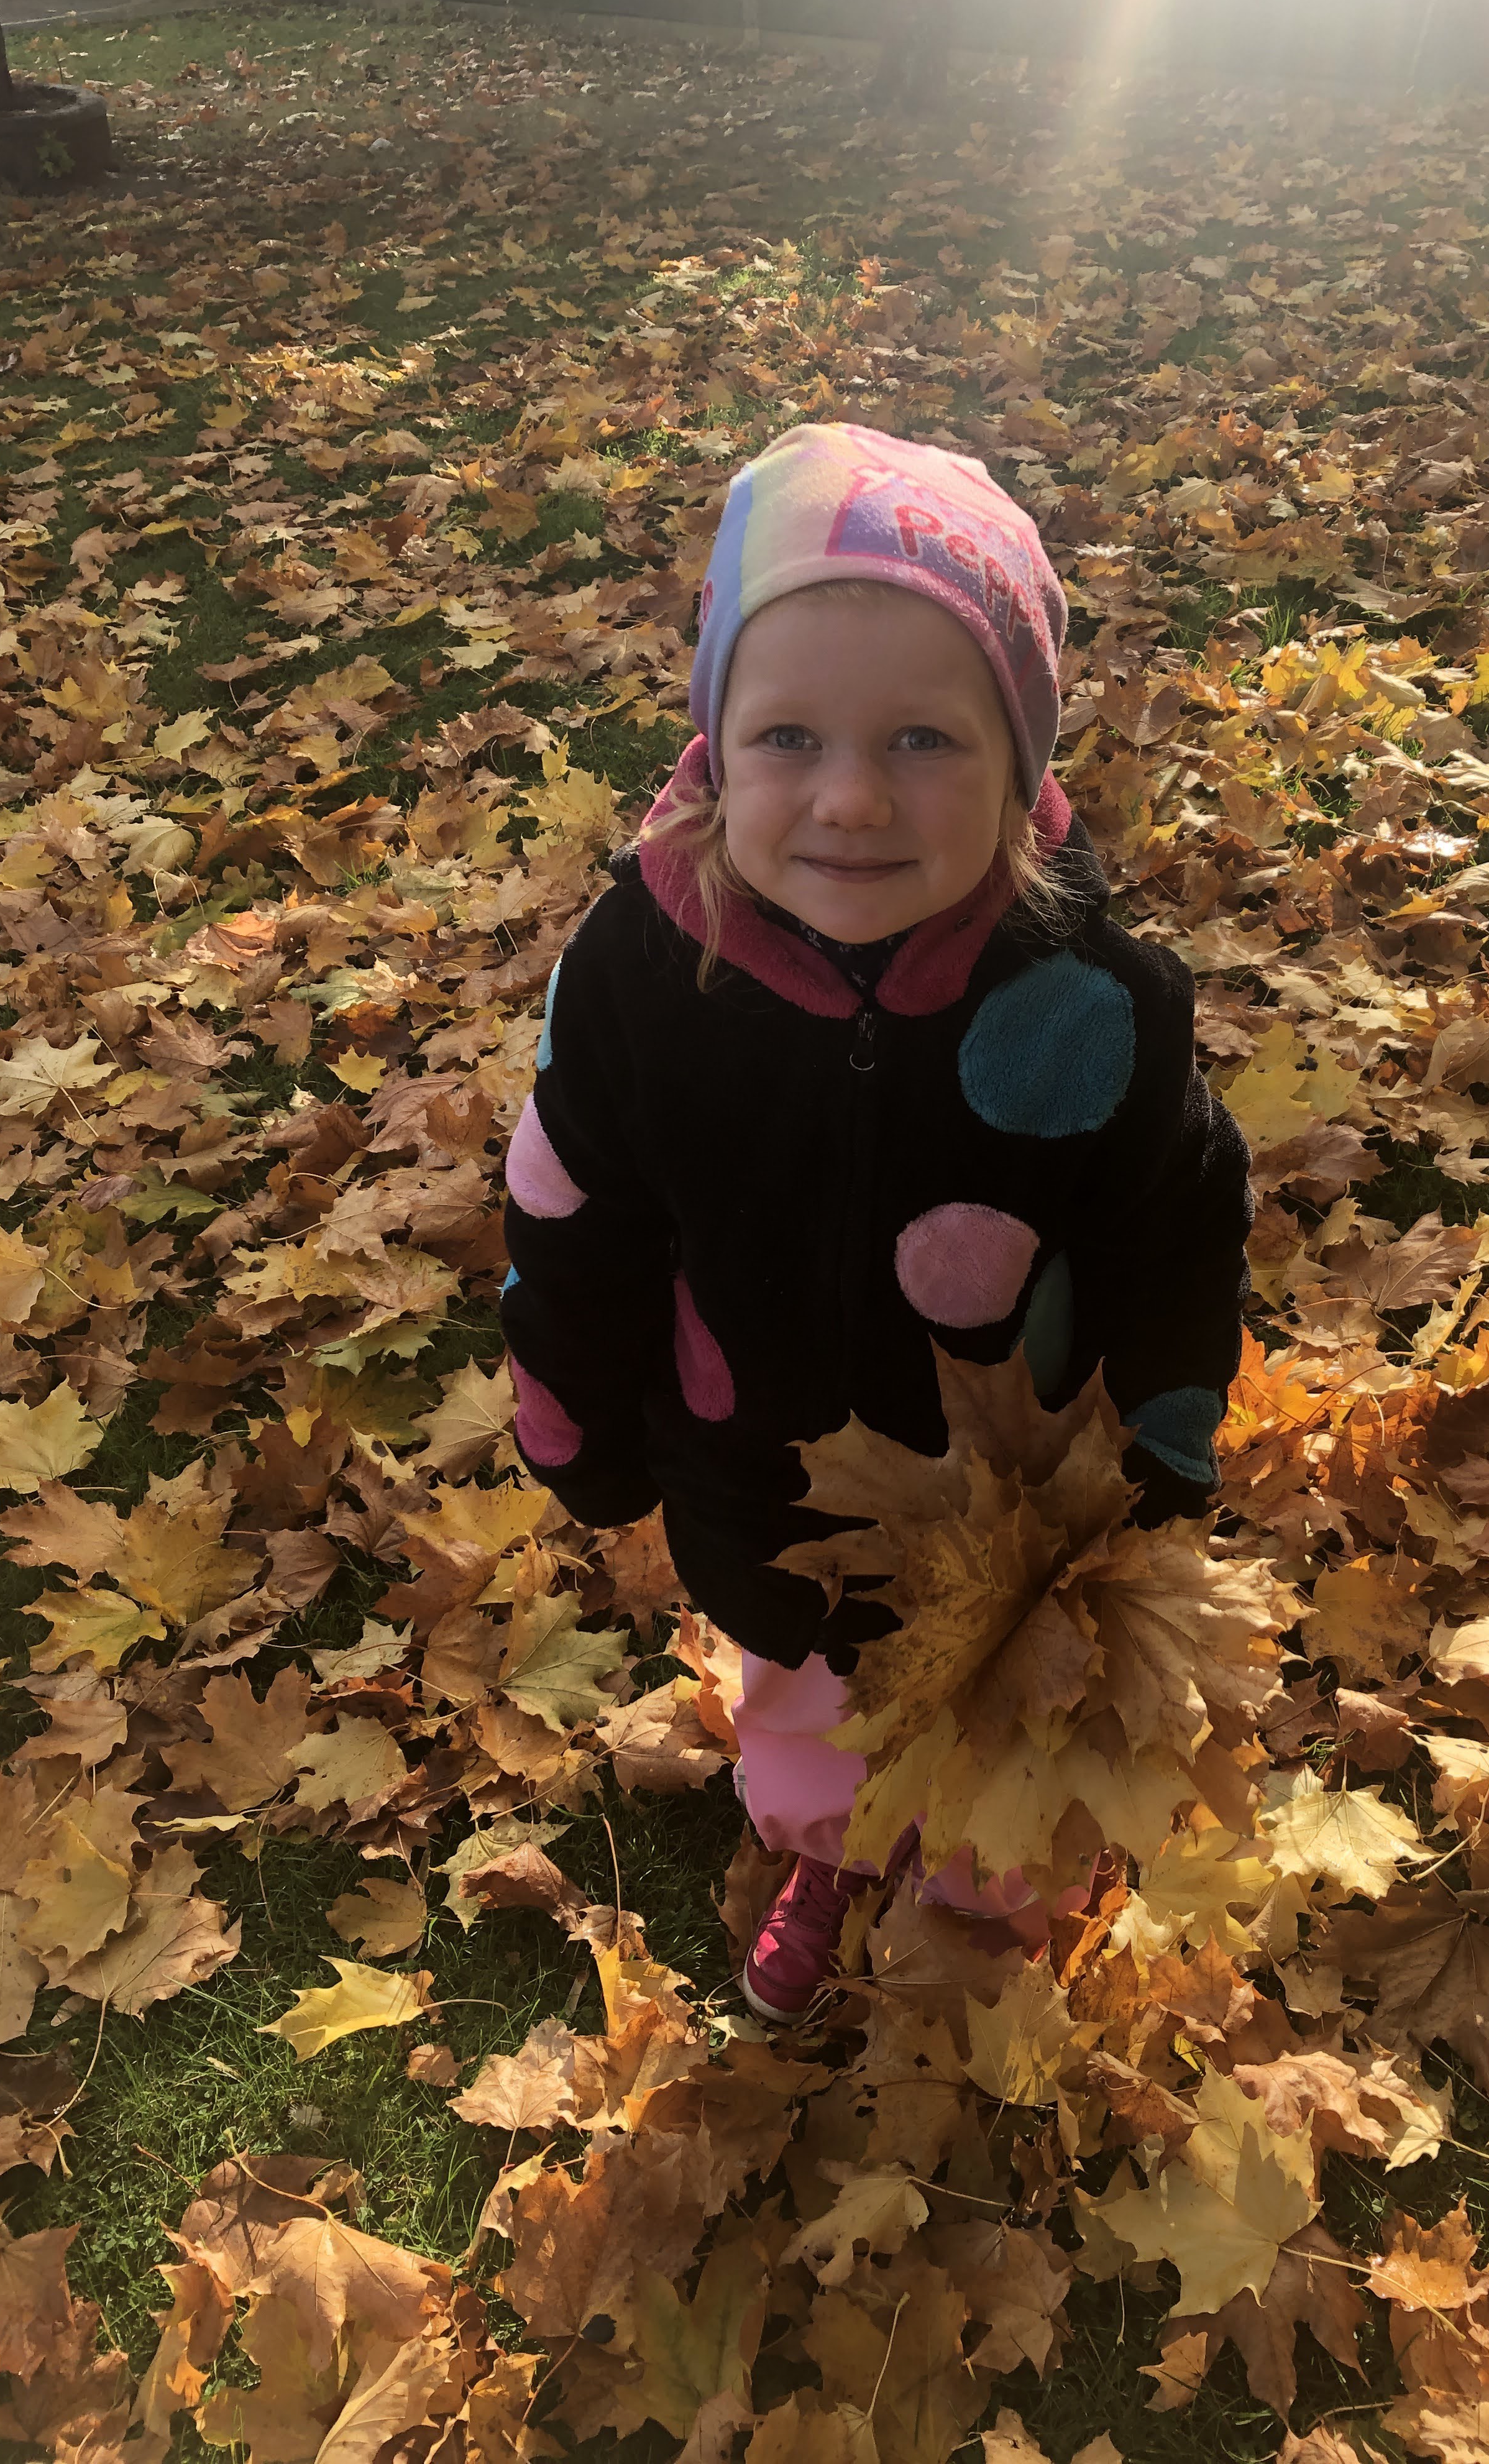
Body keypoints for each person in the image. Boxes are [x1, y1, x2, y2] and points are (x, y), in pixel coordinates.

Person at [501, 423, 1252, 2022]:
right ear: (716, 743)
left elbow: (1178, 1227)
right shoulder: (643, 977)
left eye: (923, 739)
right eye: (789, 737)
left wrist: (1166, 1447)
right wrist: (575, 1418)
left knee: (1011, 1717)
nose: (850, 799)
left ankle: (983, 1890)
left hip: (1015, 1506)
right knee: (806, 1696)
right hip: (760, 1475)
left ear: (1020, 761)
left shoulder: (1089, 1001)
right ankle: (837, 1846)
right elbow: (574, 1206)